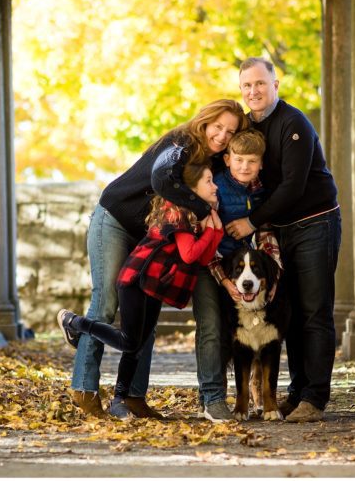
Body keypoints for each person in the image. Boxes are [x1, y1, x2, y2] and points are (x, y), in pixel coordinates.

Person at [68, 99, 247, 419]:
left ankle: (132, 396)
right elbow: (162, 178)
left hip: (149, 235)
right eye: (217, 126)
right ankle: (84, 387)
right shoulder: (180, 143)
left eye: (230, 132)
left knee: (145, 319)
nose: (221, 136)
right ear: (205, 121)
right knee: (106, 302)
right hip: (115, 220)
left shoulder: (215, 164)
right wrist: (205, 211)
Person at [58, 154, 225, 419]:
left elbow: (203, 258)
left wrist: (214, 231)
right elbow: (190, 254)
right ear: (191, 188)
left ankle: (119, 400)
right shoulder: (176, 212)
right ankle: (75, 322)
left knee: (136, 346)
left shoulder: (196, 215)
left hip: (155, 283)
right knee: (129, 341)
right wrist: (213, 231)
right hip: (136, 280)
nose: (215, 186)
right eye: (208, 181)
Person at [224, 57, 341, 423]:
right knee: (286, 313)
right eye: (247, 86)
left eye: (260, 83)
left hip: (313, 224)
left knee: (314, 311)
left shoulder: (294, 124)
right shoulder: (247, 126)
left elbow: (292, 186)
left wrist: (250, 222)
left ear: (275, 85)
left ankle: (314, 397)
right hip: (278, 232)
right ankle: (295, 392)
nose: (253, 91)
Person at [192, 128, 281, 421]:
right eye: (239, 160)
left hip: (250, 271)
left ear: (261, 163)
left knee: (260, 339)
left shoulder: (262, 190)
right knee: (216, 330)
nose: (245, 167)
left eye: (252, 161)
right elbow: (208, 237)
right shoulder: (215, 189)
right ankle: (212, 396)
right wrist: (226, 281)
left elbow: (266, 229)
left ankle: (260, 391)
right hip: (216, 265)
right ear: (227, 159)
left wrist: (275, 271)